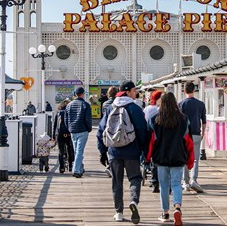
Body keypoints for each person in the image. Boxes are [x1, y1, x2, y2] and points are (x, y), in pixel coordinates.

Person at [97, 80, 148, 224]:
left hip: (114, 152)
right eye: (134, 90)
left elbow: (101, 130)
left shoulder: (110, 108)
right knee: (135, 178)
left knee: (116, 182)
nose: (135, 93)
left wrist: (102, 151)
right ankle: (133, 201)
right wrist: (144, 150)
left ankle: (118, 212)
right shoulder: (135, 108)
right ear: (127, 91)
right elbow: (142, 130)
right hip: (132, 151)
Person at [146, 92, 194, 226]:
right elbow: (188, 141)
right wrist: (190, 160)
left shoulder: (155, 119)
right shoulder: (184, 119)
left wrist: (147, 157)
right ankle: (177, 207)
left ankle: (165, 212)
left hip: (161, 158)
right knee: (176, 184)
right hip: (178, 157)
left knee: (164, 186)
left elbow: (151, 141)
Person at [178, 82, 206, 193]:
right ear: (194, 90)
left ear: (184, 91)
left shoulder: (181, 104)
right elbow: (204, 121)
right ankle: (194, 179)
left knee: (185, 158)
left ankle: (185, 182)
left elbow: (178, 121)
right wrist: (202, 133)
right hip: (196, 133)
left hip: (184, 135)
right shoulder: (201, 104)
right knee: (195, 159)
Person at [66, 87, 92, 178]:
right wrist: (89, 129)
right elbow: (88, 119)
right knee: (79, 151)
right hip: (82, 130)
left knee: (77, 150)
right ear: (82, 94)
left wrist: (69, 128)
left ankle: (80, 168)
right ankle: (76, 170)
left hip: (73, 130)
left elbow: (66, 119)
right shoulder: (85, 105)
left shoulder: (69, 105)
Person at [143, 90, 162, 193]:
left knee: (153, 160)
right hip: (160, 138)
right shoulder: (159, 110)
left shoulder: (147, 109)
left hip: (151, 137)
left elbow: (145, 122)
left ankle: (154, 181)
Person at [52, 100, 74, 173]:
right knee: (70, 149)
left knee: (61, 151)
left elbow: (55, 125)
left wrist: (53, 136)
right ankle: (70, 166)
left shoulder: (58, 113)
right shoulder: (70, 112)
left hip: (60, 134)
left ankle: (61, 167)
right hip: (69, 134)